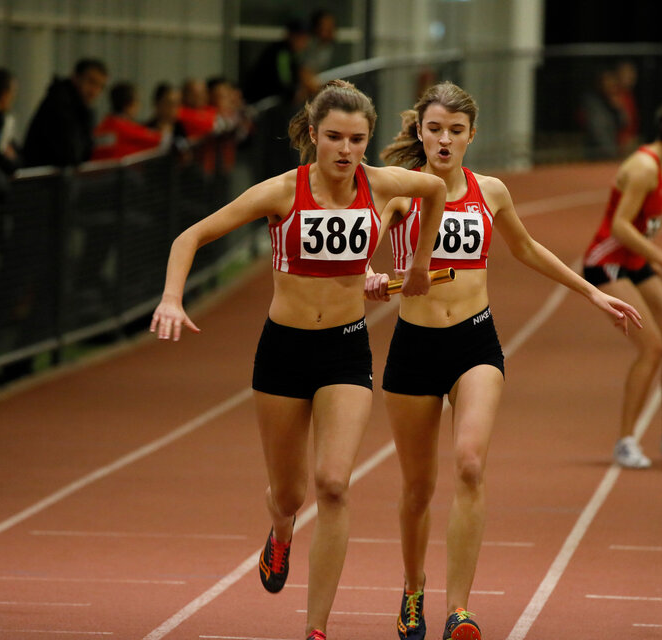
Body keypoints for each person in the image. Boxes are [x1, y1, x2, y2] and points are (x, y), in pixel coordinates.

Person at [150, 79, 447, 640]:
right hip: (283, 353)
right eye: (334, 137)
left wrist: (417, 264)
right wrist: (171, 297)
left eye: (357, 139)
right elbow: (189, 237)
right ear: (313, 135)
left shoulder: (382, 186)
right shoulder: (283, 191)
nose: (345, 150)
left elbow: (434, 190)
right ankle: (280, 530)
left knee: (334, 483)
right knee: (290, 492)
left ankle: (315, 629)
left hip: (346, 350)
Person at [371, 82, 642, 640]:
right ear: (420, 132)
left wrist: (593, 292)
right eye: (435, 129)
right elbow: (363, 241)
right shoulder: (400, 192)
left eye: (456, 130)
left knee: (470, 464)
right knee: (418, 488)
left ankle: (459, 610)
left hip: (475, 343)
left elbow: (526, 248)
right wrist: (370, 276)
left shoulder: (489, 191)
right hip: (414, 348)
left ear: (472, 135)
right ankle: (413, 589)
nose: (444, 140)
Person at [581, 95, 662, 469]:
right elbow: (620, 226)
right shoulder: (644, 168)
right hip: (607, 263)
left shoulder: (660, 164)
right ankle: (625, 441)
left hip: (634, 263)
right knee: (652, 347)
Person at [23, 58, 109, 167]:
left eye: (100, 86)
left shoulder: (79, 107)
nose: (95, 91)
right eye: (91, 82)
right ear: (76, 78)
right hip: (44, 177)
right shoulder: (60, 103)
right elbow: (71, 154)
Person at [91, 81, 166, 160]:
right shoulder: (126, 128)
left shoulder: (102, 127)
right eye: (137, 101)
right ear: (129, 105)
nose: (139, 106)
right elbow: (161, 141)